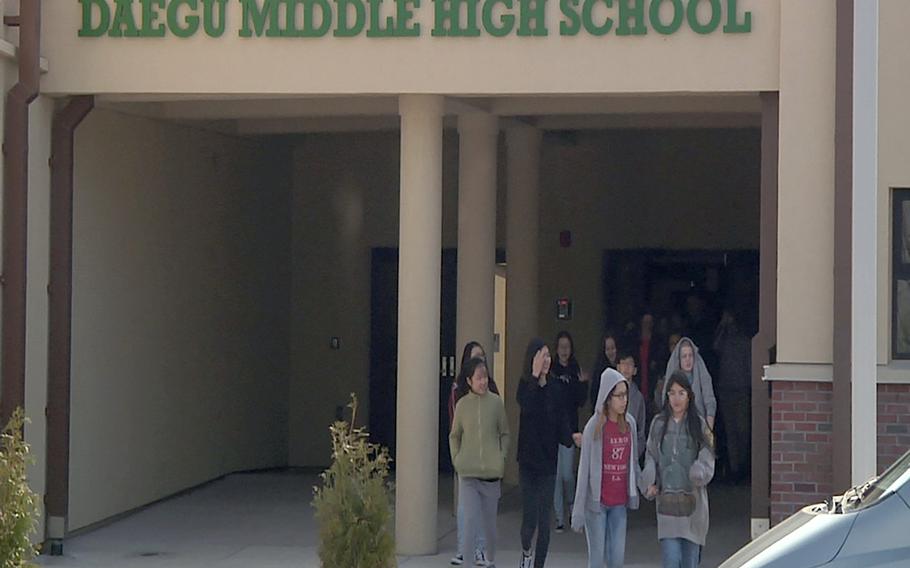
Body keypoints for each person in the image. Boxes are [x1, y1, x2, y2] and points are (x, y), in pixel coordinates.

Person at [517, 338, 579, 568]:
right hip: (527, 462)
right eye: (542, 355)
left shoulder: (555, 388)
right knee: (529, 521)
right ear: (533, 359)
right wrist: (534, 377)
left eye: (547, 355)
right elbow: (527, 405)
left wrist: (572, 437)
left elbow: (562, 421)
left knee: (545, 522)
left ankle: (538, 565)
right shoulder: (525, 385)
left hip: (548, 463)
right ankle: (525, 551)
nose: (546, 359)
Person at [642, 372, 715, 568]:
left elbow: (708, 455)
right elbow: (651, 455)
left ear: (689, 395)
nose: (676, 398)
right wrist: (649, 480)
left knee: (690, 563)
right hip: (667, 506)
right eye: (672, 393)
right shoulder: (658, 424)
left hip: (693, 507)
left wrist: (699, 471)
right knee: (671, 560)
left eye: (681, 393)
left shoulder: (699, 425)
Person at [571, 368, 642, 568]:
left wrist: (644, 487)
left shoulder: (630, 425)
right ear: (607, 398)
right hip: (597, 504)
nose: (624, 400)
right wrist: (577, 511)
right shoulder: (594, 427)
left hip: (619, 502)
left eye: (625, 395)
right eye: (619, 395)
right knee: (596, 558)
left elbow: (633, 464)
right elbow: (584, 471)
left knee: (617, 559)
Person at [450, 357, 509, 568]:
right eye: (478, 378)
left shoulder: (496, 403)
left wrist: (501, 458)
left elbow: (504, 433)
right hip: (468, 474)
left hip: (491, 475)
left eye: (485, 378)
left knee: (489, 526)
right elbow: (454, 435)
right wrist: (457, 460)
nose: (483, 382)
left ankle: (489, 559)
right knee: (469, 523)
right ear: (469, 380)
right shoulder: (462, 405)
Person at [551, 331, 588, 533]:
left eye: (567, 346)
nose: (564, 350)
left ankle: (573, 506)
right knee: (556, 475)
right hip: (552, 429)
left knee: (567, 474)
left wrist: (583, 384)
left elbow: (581, 401)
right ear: (556, 349)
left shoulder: (575, 370)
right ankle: (559, 517)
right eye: (561, 346)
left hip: (570, 428)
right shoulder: (552, 371)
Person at [712, 309, 752, 481]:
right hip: (726, 390)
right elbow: (715, 346)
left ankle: (743, 466)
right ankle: (735, 469)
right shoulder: (724, 340)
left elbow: (750, 365)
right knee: (730, 431)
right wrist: (722, 326)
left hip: (742, 390)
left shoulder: (746, 341)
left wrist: (751, 388)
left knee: (742, 429)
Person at [658, 338, 717, 431]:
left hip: (699, 427)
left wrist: (708, 431)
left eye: (690, 355)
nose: (688, 359)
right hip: (676, 427)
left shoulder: (702, 374)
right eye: (684, 356)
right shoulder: (672, 377)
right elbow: (666, 402)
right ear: (679, 359)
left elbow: (709, 400)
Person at [616, 351, 646, 460]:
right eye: (623, 363)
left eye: (630, 364)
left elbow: (641, 432)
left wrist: (634, 455)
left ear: (635, 370)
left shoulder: (638, 397)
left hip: (631, 453)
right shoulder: (610, 394)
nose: (626, 367)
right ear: (618, 367)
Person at [589, 332, 619, 414]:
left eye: (613, 348)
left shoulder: (622, 368)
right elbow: (594, 396)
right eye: (607, 349)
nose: (611, 352)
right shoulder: (600, 371)